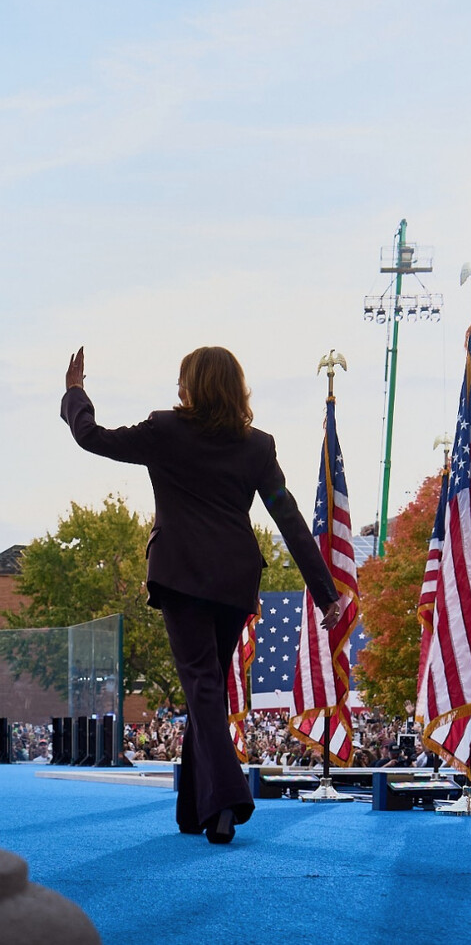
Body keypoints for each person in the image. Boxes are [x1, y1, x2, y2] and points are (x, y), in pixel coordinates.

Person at [61, 346, 340, 844]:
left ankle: (228, 798)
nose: (176, 387)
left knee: (204, 685)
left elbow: (91, 437)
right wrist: (325, 593)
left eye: (182, 379)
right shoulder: (258, 446)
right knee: (205, 688)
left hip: (182, 576)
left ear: (193, 385)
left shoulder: (165, 430)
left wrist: (75, 392)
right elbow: (288, 517)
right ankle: (195, 810)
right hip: (235, 582)